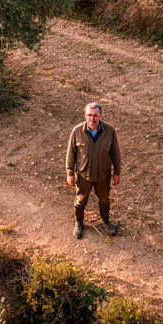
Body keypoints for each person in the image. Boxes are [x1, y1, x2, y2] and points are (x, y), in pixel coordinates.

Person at [65, 102, 121, 239]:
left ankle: (106, 222)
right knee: (80, 201)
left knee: (104, 200)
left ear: (100, 116)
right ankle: (79, 223)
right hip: (83, 176)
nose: (92, 119)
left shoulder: (110, 131)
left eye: (95, 115)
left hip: (103, 175)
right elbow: (71, 154)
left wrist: (117, 172)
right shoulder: (77, 131)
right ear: (85, 116)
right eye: (89, 115)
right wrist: (70, 173)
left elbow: (115, 153)